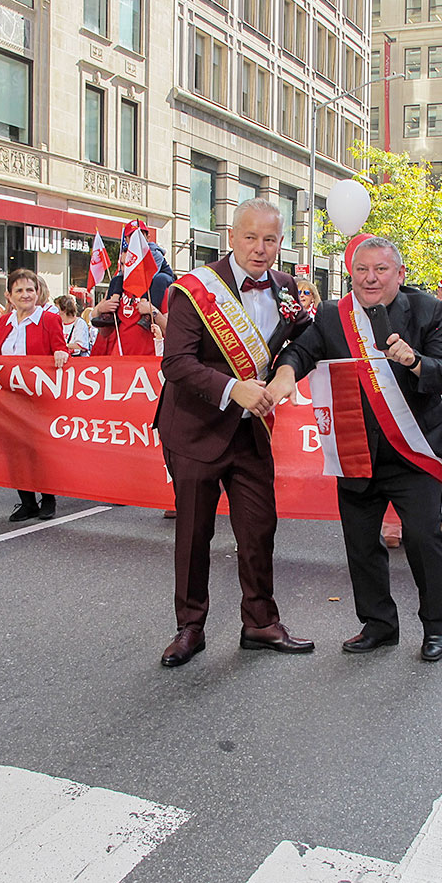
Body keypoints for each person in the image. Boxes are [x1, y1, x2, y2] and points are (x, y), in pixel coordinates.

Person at [269, 236, 442, 662]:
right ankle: (379, 624)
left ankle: (436, 625)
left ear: (400, 273)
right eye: (362, 270)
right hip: (356, 446)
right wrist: (286, 374)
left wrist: (414, 361)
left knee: (424, 539)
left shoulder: (427, 310)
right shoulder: (332, 315)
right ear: (351, 274)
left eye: (380, 269)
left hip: (414, 449)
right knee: (360, 543)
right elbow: (302, 351)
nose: (370, 278)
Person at [155, 198, 315, 667]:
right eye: (250, 237)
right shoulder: (195, 290)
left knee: (259, 529)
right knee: (193, 535)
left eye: (270, 239)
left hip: (251, 433)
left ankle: (260, 622)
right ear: (231, 237)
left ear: (281, 243)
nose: (260, 248)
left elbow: (303, 339)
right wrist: (232, 389)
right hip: (196, 429)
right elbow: (176, 363)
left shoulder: (286, 287)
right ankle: (190, 627)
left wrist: (285, 370)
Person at [0, 268, 69, 522]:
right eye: (19, 290)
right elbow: (2, 352)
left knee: (40, 450)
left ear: (38, 292)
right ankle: (26, 501)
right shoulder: (5, 322)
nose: (25, 295)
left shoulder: (49, 319)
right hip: (11, 398)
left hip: (39, 397)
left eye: (30, 290)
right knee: (16, 451)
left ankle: (48, 499)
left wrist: (60, 353)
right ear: (9, 295)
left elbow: (61, 350)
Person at [91, 222, 174, 356]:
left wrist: (153, 312)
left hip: (148, 363)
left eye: (130, 263)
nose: (126, 268)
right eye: (123, 264)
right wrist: (101, 309)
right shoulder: (117, 287)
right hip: (122, 361)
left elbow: (172, 332)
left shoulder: (161, 289)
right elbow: (104, 332)